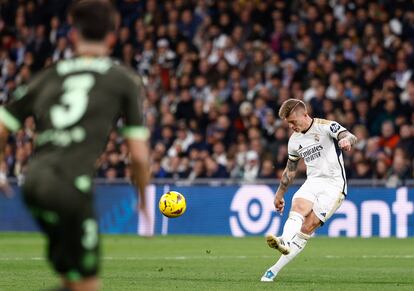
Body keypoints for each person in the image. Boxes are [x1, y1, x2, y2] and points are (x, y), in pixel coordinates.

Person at [0, 1, 150, 290]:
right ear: (112, 38)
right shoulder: (123, 80)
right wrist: (144, 204)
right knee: (88, 284)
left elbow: (2, 125)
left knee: (73, 279)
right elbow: (140, 157)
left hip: (33, 183)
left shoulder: (50, 75)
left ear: (72, 36)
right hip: (70, 187)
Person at [261, 99, 357, 282]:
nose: (291, 126)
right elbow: (290, 170)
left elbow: (350, 135)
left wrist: (345, 140)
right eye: (288, 123)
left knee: (307, 226)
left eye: (293, 122)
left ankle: (273, 269)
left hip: (334, 186)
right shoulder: (294, 141)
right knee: (297, 206)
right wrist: (279, 194)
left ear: (305, 115)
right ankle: (284, 240)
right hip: (313, 182)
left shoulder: (326, 126)